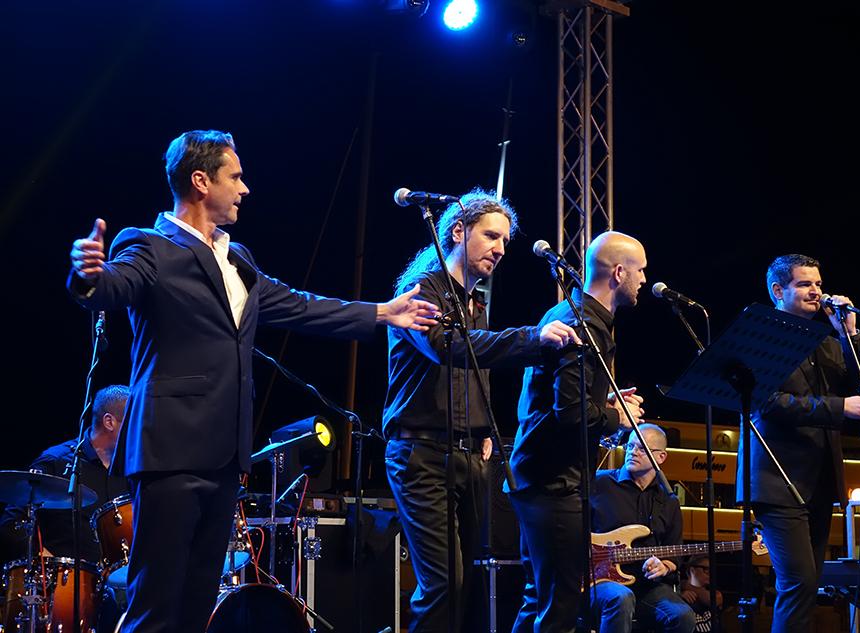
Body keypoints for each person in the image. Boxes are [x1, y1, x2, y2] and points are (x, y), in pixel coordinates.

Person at [66, 130, 439, 633]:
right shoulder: (148, 245)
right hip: (170, 451)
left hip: (225, 454)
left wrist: (382, 313)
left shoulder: (238, 257)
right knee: (156, 605)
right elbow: (112, 284)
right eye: (235, 177)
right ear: (201, 181)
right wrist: (88, 276)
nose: (245, 188)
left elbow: (300, 306)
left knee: (198, 602)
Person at [383, 189, 581, 633]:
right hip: (421, 454)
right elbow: (447, 347)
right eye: (492, 236)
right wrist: (532, 337)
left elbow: (477, 367)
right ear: (458, 231)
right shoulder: (422, 289)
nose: (501, 248)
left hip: (469, 455)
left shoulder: (474, 303)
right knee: (442, 583)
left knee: (469, 583)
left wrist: (485, 424)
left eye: (505, 240)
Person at [736, 253, 860, 633]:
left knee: (809, 582)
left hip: (819, 479)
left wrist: (849, 335)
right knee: (798, 581)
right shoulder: (761, 337)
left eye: (818, 284)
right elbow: (767, 403)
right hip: (776, 479)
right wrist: (840, 406)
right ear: (778, 291)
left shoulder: (828, 343)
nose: (816, 291)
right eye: (804, 284)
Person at [508, 231, 649, 633]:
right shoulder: (583, 324)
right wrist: (618, 419)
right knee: (561, 606)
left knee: (540, 599)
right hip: (553, 483)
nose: (643, 279)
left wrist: (604, 401)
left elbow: (562, 401)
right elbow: (570, 414)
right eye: (640, 270)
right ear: (619, 273)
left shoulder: (573, 315)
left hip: (539, 478)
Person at [0, 384, 130, 633]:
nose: (141, 431)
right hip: (60, 588)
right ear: (109, 422)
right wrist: (46, 560)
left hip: (116, 591)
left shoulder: (131, 471)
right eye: (134, 422)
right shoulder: (57, 462)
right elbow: (10, 525)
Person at [589, 424, 695, 633]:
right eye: (630, 446)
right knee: (621, 598)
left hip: (646, 586)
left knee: (682, 616)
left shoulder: (669, 501)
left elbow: (674, 552)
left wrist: (663, 566)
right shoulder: (599, 483)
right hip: (597, 579)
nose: (633, 452)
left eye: (642, 448)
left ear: (661, 457)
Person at [680, 555, 723, 633]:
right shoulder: (678, 594)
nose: (710, 574)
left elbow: (712, 599)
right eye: (706, 570)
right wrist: (680, 594)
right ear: (692, 570)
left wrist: (686, 585)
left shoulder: (713, 592)